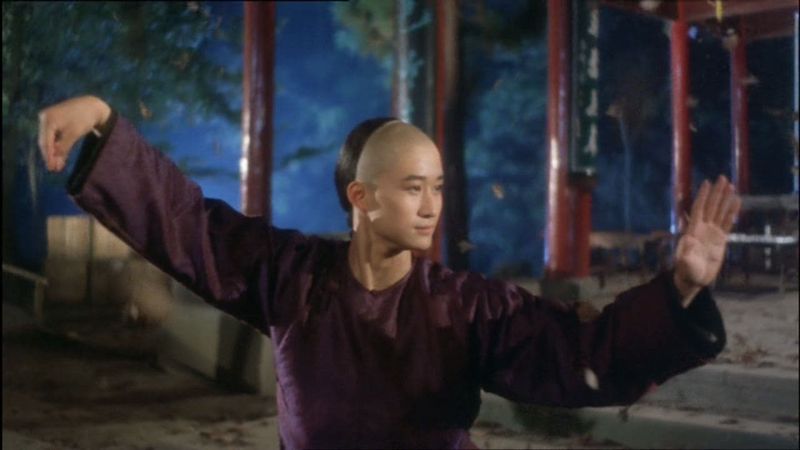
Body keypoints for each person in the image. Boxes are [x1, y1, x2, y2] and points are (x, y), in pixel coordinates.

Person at [38, 95, 740, 449]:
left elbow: (579, 354)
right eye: (412, 188)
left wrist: (680, 288)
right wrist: (103, 121)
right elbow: (188, 224)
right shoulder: (292, 277)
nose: (432, 206)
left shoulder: (466, 307)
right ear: (362, 198)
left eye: (438, 187)